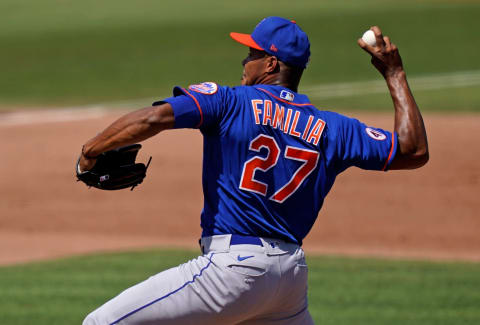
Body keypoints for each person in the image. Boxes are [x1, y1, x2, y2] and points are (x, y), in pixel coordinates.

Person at [79, 17, 428, 325]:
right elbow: (413, 150)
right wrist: (394, 73)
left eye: (252, 54)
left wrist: (90, 152)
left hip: (233, 273)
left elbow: (152, 118)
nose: (245, 61)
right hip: (289, 281)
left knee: (101, 322)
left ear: (270, 64)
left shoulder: (228, 102)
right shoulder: (335, 129)